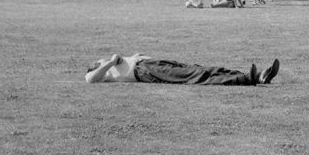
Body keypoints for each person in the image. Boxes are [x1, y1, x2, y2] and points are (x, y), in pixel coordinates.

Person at [86, 53, 279, 85]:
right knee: (193, 75)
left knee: (200, 68)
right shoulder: (102, 71)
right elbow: (90, 80)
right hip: (145, 72)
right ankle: (246, 79)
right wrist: (109, 62)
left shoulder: (112, 64)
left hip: (150, 63)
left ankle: (256, 76)